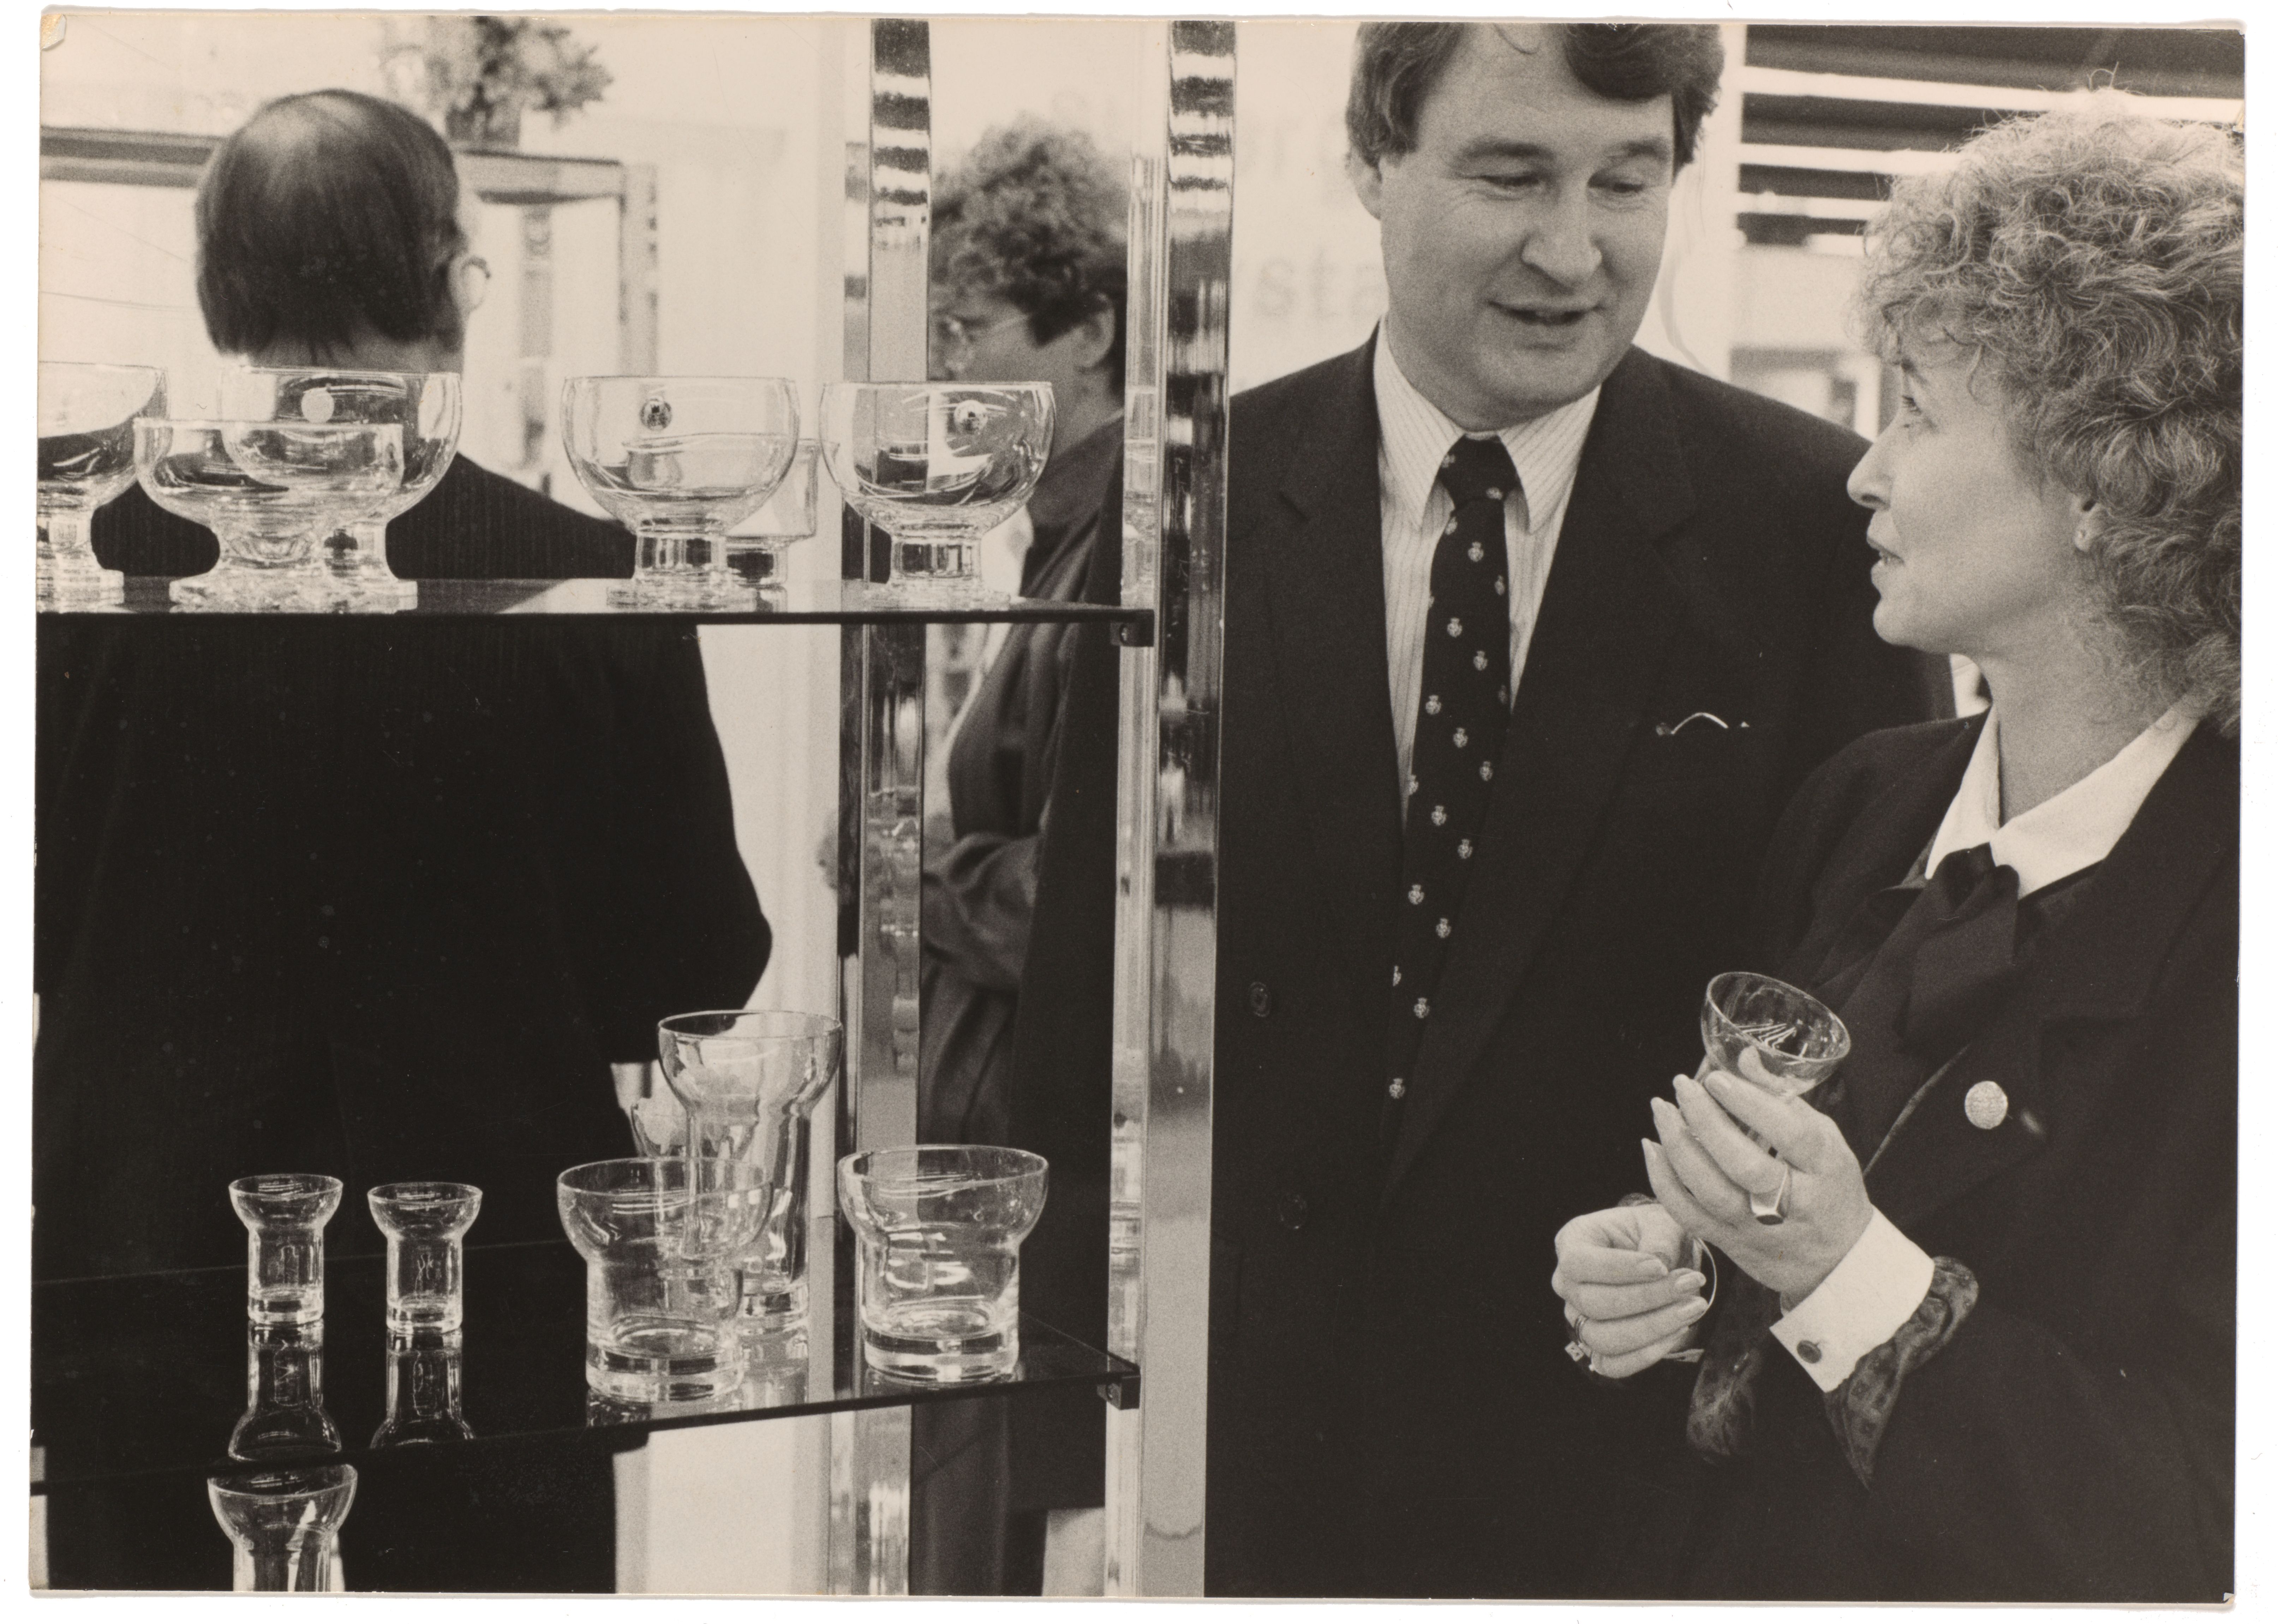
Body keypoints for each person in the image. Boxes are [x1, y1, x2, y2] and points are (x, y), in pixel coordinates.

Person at [1007, 21, 1943, 1598]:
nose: (1572, 250)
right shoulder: (1185, 497)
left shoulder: (1809, 523)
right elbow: (1069, 1017)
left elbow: (1862, 1026)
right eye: (1510, 175)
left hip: (1629, 1491)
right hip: (1242, 1470)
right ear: (1372, 163)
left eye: (1625, 182)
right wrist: (1063, 1471)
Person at [36, 90, 768, 1591]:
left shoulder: (80, 569)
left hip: (148, 1278)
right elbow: (692, 963)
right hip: (490, 1292)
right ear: (447, 278)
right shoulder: (582, 572)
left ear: (217, 289)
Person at [1551, 96, 2238, 1602]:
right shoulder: (1865, 799)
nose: (1865, 471)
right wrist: (1669, 1274)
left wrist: (1848, 1272)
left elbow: (2210, 1533)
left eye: (1919, 408)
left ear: (2105, 486)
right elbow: (1768, 1261)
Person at [906, 119, 1128, 1598]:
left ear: (1092, 329)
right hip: (997, 1134)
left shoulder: (1119, 551)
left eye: (969, 333)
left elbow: (1099, 892)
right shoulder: (1066, 538)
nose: (943, 377)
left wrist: (910, 878)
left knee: (990, 1552)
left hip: (1026, 1154)